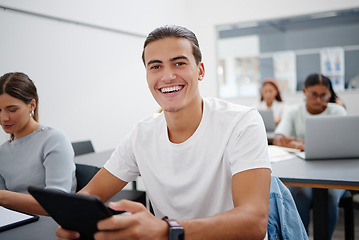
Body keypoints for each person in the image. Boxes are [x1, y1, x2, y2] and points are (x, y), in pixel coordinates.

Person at [57, 25, 271, 240]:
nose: (168, 76)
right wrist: (71, 219)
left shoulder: (242, 122)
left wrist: (167, 230)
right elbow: (88, 195)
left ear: (201, 70)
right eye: (156, 66)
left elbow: (254, 222)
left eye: (179, 63)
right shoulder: (141, 134)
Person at [273, 73, 347, 237]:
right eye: (314, 94)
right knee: (298, 195)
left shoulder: (337, 111)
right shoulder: (294, 111)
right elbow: (278, 139)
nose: (319, 100)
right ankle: (301, 236)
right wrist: (304, 145)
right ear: (305, 92)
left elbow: (345, 142)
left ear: (330, 94)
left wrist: (296, 143)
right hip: (300, 172)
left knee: (328, 196)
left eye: (324, 95)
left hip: (334, 171)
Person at [0, 72, 76, 215]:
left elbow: (56, 203)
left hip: (51, 224)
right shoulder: (2, 153)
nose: (4, 118)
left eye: (12, 110)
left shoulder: (53, 140)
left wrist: (3, 196)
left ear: (32, 105)